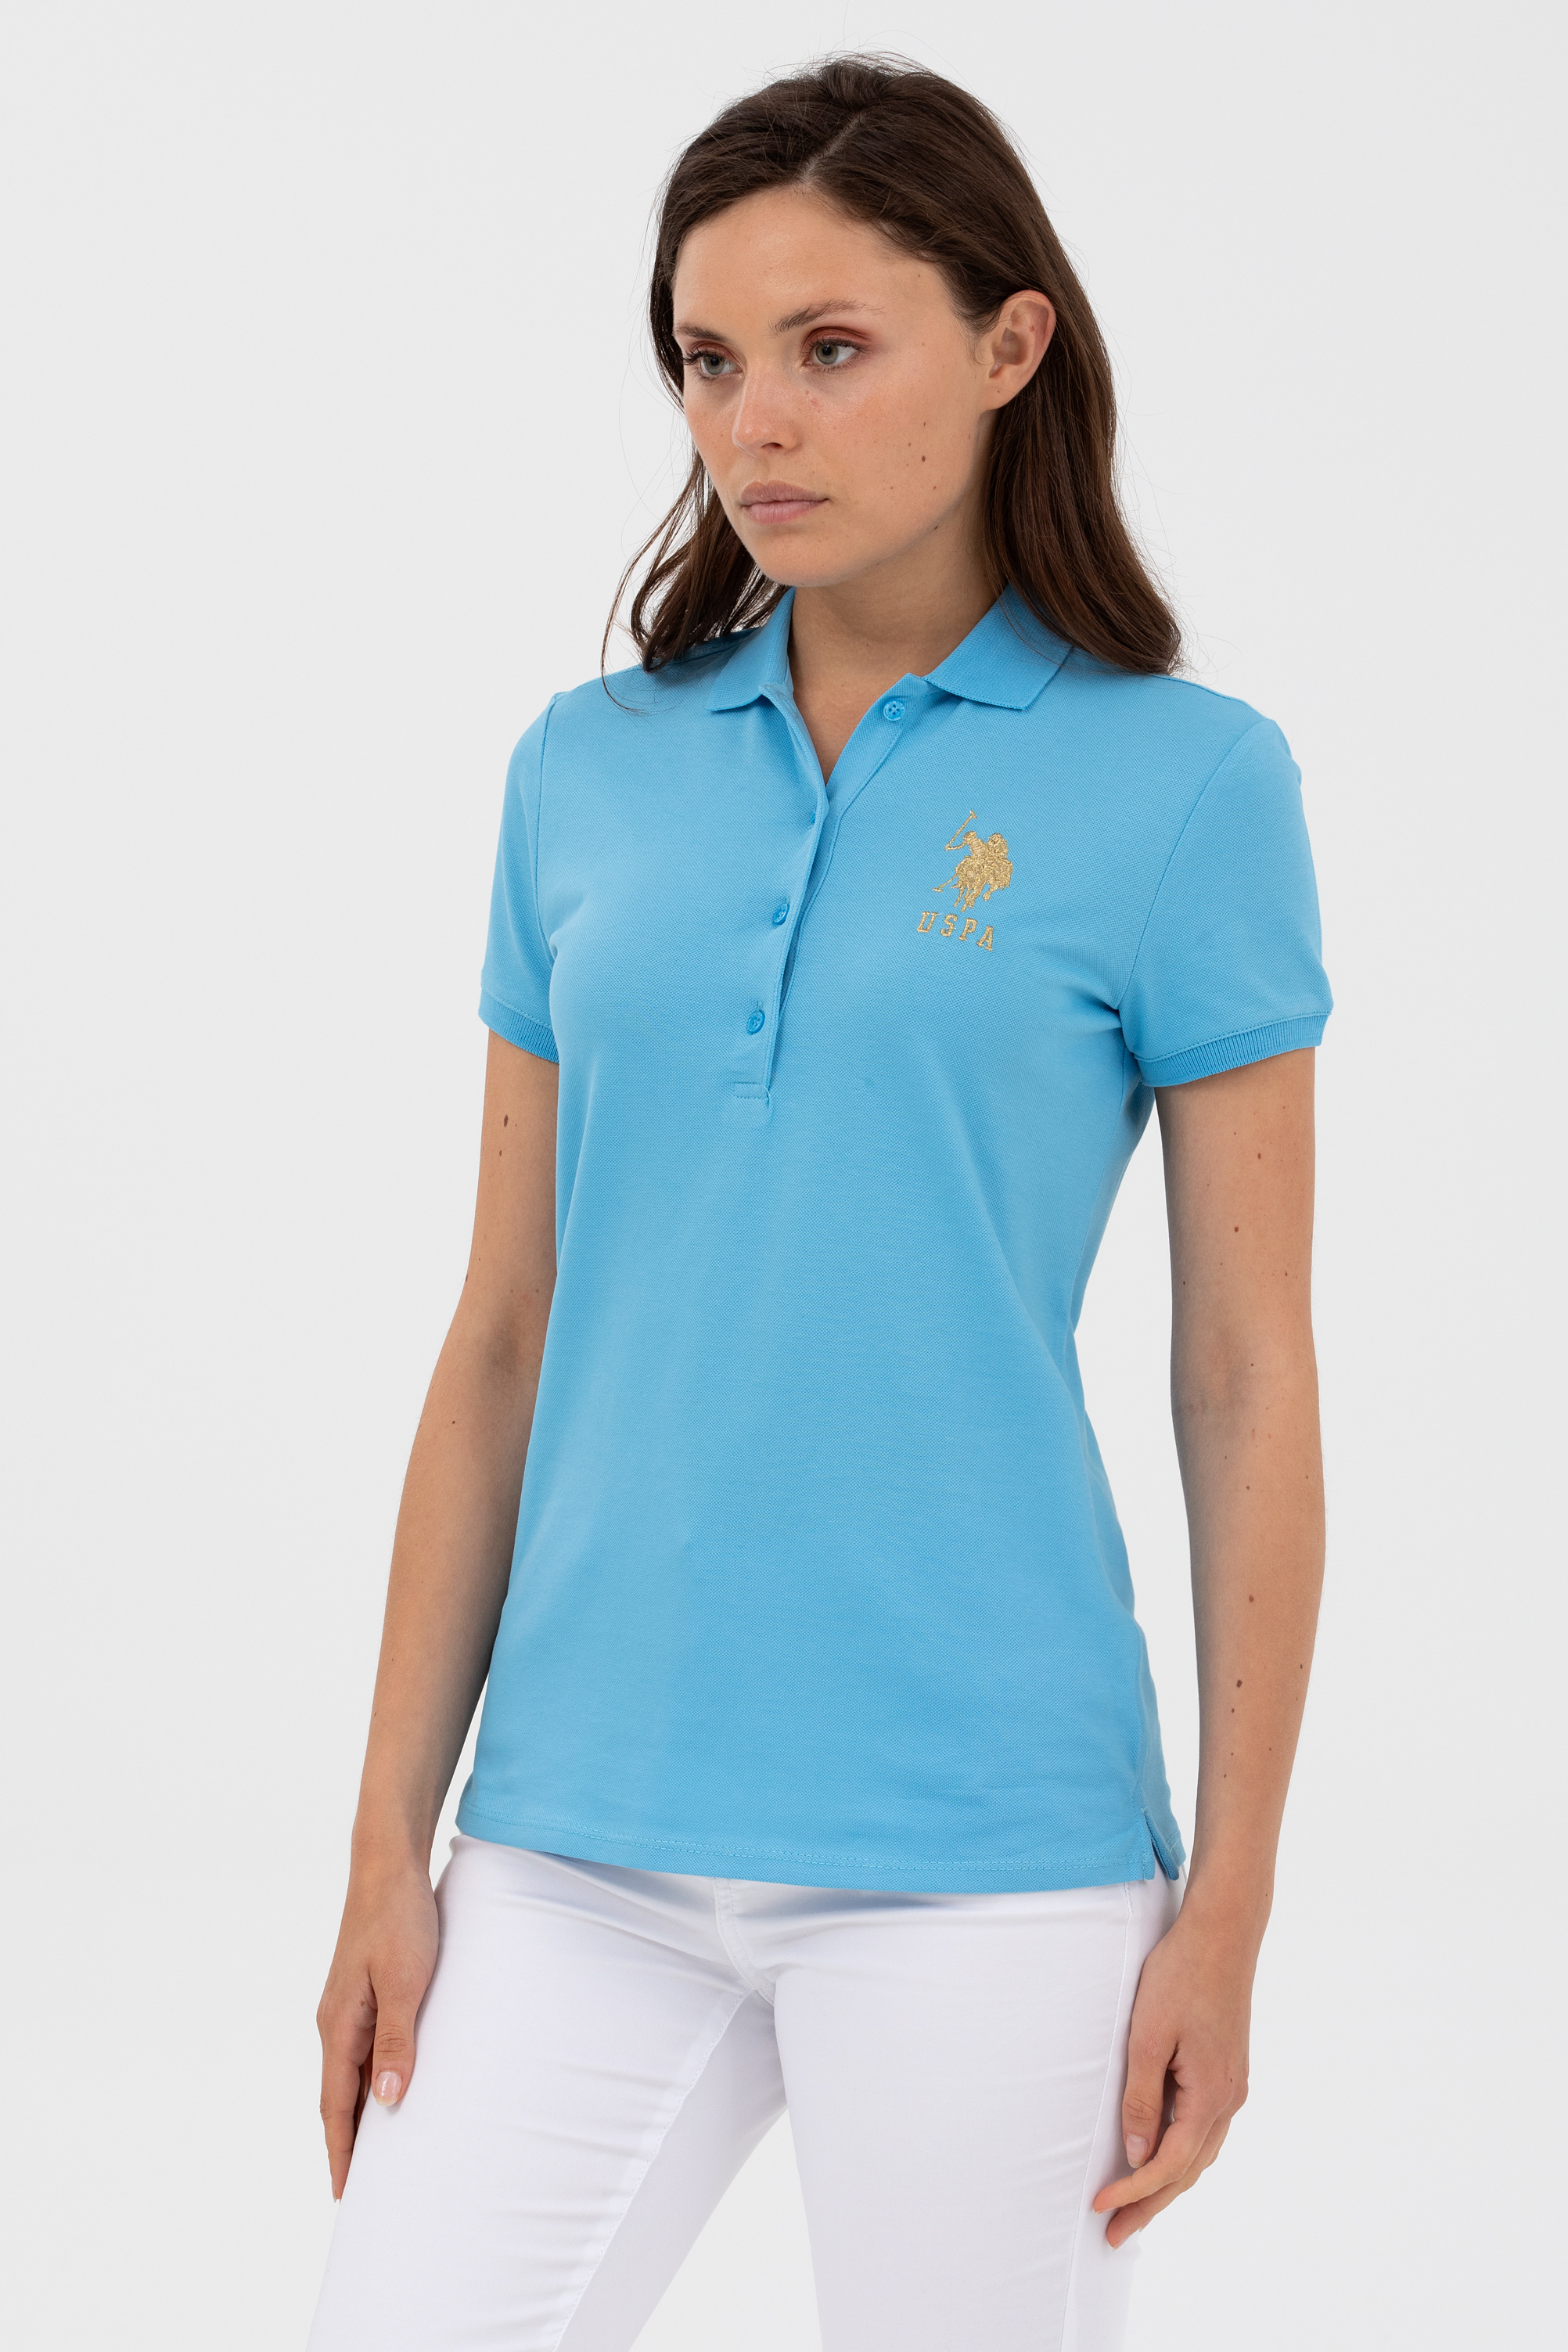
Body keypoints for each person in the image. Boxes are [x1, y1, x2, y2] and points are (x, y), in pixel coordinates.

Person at [307, 53, 1330, 2352]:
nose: (751, 423)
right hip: (568, 1835)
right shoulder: (586, 771)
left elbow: (1245, 1371)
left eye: (829, 347)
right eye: (707, 359)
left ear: (1009, 342)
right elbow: (503, 1328)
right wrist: (388, 1839)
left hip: (988, 1853)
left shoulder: (1186, 784)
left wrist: (1232, 1905)